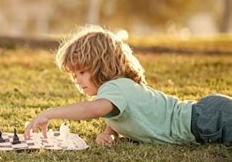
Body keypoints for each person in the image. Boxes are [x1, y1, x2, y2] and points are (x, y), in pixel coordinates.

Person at [24, 25, 232, 146]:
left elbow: (95, 109)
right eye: (73, 74)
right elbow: (116, 117)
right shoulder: (116, 92)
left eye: (82, 72)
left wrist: (50, 113)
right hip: (205, 117)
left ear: (100, 66)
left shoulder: (114, 88)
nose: (76, 79)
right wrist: (109, 134)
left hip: (208, 120)